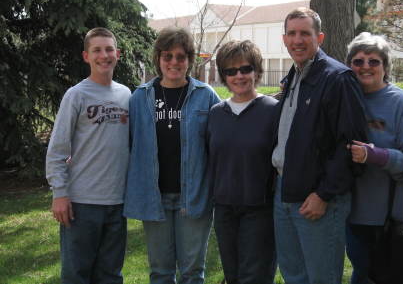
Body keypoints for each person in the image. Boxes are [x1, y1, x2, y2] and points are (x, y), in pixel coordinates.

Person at [271, 7, 367, 284]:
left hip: (318, 198)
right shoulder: (294, 76)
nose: (297, 40)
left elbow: (351, 145)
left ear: (320, 37)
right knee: (294, 274)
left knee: (321, 278)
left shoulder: (338, 79)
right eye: (291, 33)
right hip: (284, 191)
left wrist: (324, 194)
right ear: (284, 38)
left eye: (305, 33)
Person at [123, 26, 220, 284]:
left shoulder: (206, 96)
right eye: (168, 56)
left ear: (189, 60)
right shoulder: (139, 98)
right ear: (158, 58)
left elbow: (217, 146)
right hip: (155, 198)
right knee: (161, 273)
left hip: (194, 197)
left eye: (180, 56)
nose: (174, 62)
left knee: (192, 273)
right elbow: (128, 144)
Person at [46, 27, 131, 283]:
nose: (103, 55)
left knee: (110, 275)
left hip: (117, 202)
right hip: (82, 203)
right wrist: (59, 193)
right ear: (86, 56)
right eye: (97, 50)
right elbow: (58, 149)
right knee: (77, 275)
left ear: (118, 54)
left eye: (108, 49)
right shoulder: (76, 95)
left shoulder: (126, 94)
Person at [345, 32, 403, 284]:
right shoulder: (346, 100)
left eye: (374, 61)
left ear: (385, 67)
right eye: (358, 61)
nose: (365, 67)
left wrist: (376, 155)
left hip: (397, 218)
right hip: (356, 216)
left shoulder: (402, 103)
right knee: (362, 276)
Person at [207, 40, 277, 284]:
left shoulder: (272, 110)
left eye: (245, 69)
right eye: (230, 71)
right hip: (224, 209)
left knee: (254, 277)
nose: (239, 76)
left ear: (256, 71)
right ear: (223, 75)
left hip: (259, 210)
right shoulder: (216, 114)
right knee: (232, 275)